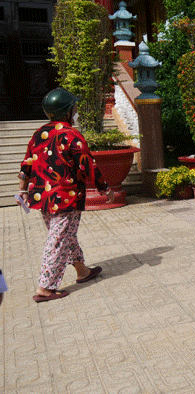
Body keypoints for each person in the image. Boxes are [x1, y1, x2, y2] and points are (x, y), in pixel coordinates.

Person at [18, 87, 112, 303]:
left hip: (42, 198)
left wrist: (22, 190)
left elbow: (26, 165)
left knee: (64, 236)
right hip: (65, 197)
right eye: (74, 107)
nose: (76, 111)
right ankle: (46, 287)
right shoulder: (71, 134)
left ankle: (82, 271)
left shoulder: (38, 134)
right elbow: (88, 165)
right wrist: (105, 189)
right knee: (58, 239)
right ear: (67, 111)